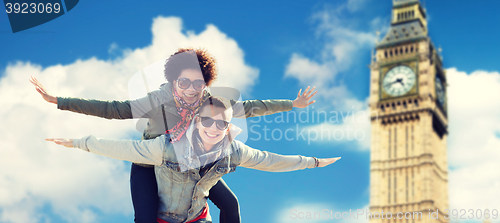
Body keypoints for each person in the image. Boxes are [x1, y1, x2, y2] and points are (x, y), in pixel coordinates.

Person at [30, 48, 318, 223]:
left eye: (198, 83)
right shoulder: (158, 99)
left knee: (230, 204)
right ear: (172, 82)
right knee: (145, 218)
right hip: (152, 161)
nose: (192, 90)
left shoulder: (209, 101)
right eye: (184, 83)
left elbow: (251, 107)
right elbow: (113, 109)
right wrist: (59, 101)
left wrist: (292, 104)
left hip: (192, 163)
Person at [46, 96, 341, 223]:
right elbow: (122, 147)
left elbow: (270, 160)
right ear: (196, 121)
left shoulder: (232, 149)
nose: (214, 129)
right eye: (208, 123)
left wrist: (312, 161)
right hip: (159, 195)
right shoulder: (166, 145)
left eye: (221, 125)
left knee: (231, 203)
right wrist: (78, 143)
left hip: (195, 216)